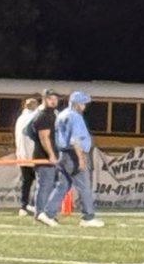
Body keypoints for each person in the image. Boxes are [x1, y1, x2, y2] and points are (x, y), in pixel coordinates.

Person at [38, 91, 105, 228]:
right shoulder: (75, 117)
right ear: (77, 104)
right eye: (83, 103)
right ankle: (88, 217)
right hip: (74, 154)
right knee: (84, 186)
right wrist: (80, 159)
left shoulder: (62, 115)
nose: (85, 106)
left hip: (64, 153)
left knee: (63, 185)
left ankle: (48, 213)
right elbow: (76, 139)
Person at [29, 88, 61, 222]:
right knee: (45, 185)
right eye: (50, 99)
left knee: (51, 185)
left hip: (51, 156)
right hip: (44, 157)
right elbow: (44, 138)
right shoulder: (43, 116)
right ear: (44, 99)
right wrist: (51, 155)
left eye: (55, 99)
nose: (53, 101)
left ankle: (44, 211)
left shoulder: (52, 114)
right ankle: (40, 212)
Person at [14, 94, 42, 215]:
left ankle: (23, 206)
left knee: (26, 183)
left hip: (22, 155)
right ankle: (33, 203)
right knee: (43, 181)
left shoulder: (20, 119)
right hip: (34, 156)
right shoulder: (35, 117)